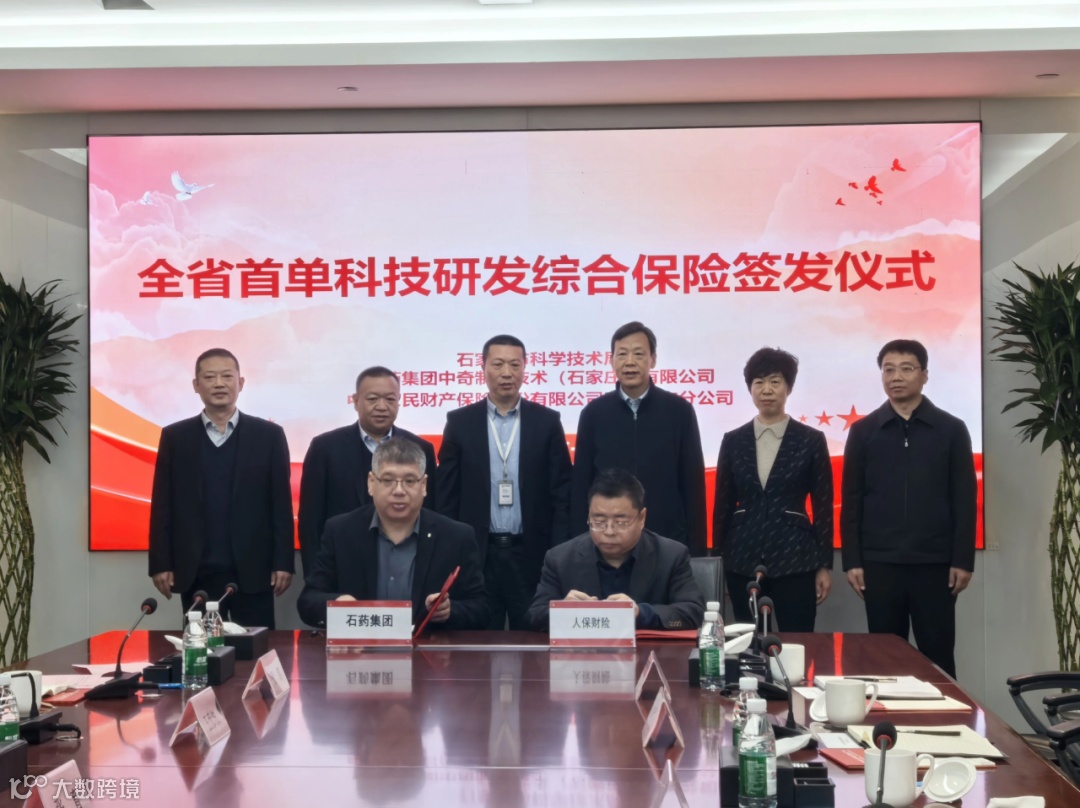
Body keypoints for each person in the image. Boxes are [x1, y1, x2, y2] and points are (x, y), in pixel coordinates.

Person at [841, 339, 977, 677]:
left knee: (938, 657)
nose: (896, 377)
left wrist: (962, 559)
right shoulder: (864, 431)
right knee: (884, 659)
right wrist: (852, 560)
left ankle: (946, 710)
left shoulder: (951, 429)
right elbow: (852, 499)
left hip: (935, 564)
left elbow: (964, 498)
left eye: (906, 369)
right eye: (888, 370)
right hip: (880, 564)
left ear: (924, 375)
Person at [148, 348, 294, 628]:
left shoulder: (269, 436)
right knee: (200, 649)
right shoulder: (176, 437)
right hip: (197, 571)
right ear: (196, 385)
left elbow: (281, 505)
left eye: (227, 376)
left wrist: (283, 562)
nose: (219, 384)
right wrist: (160, 562)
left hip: (254, 570)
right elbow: (162, 504)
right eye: (209, 377)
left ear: (241, 383)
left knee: (257, 648)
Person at [436, 334, 573, 630]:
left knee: (536, 635)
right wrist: (450, 551)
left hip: (532, 553)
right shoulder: (460, 422)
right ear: (483, 367)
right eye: (498, 364)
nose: (507, 373)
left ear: (525, 368)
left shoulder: (547, 422)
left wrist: (558, 552)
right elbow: (446, 495)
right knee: (477, 638)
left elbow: (561, 494)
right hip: (477, 555)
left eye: (514, 364)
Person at [297, 437, 487, 629]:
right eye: (388, 480)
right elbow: (309, 600)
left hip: (427, 647)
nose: (399, 491)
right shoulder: (341, 532)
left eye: (410, 481)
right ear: (371, 483)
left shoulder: (456, 537)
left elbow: (481, 606)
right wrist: (336, 604)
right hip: (361, 646)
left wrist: (450, 610)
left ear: (423, 485)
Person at [714, 347, 833, 632]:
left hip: (796, 558)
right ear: (750, 388)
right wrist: (719, 564)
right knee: (747, 641)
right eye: (759, 382)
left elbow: (824, 506)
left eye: (775, 382)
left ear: (788, 388)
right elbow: (723, 505)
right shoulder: (733, 440)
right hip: (742, 559)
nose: (766, 390)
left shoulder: (811, 440)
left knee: (799, 640)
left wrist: (824, 565)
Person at [571, 321, 707, 556]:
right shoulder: (593, 414)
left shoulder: (679, 411)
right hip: (608, 541)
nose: (630, 362)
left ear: (653, 360)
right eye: (622, 354)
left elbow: (692, 485)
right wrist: (578, 547)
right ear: (611, 361)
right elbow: (581, 485)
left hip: (667, 542)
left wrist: (696, 550)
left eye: (638, 354)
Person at [297, 366, 437, 576]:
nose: (381, 406)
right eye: (372, 399)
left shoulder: (420, 449)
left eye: (390, 399)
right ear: (355, 401)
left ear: (399, 401)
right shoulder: (325, 448)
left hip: (404, 563)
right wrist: (314, 574)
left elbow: (432, 513)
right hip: (342, 561)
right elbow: (311, 518)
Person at [526, 469, 705, 631]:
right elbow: (535, 616)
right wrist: (562, 611)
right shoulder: (560, 559)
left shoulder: (671, 555)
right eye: (599, 521)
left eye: (621, 522)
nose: (609, 531)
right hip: (584, 655)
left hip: (649, 655)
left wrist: (641, 613)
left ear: (642, 518)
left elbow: (693, 612)